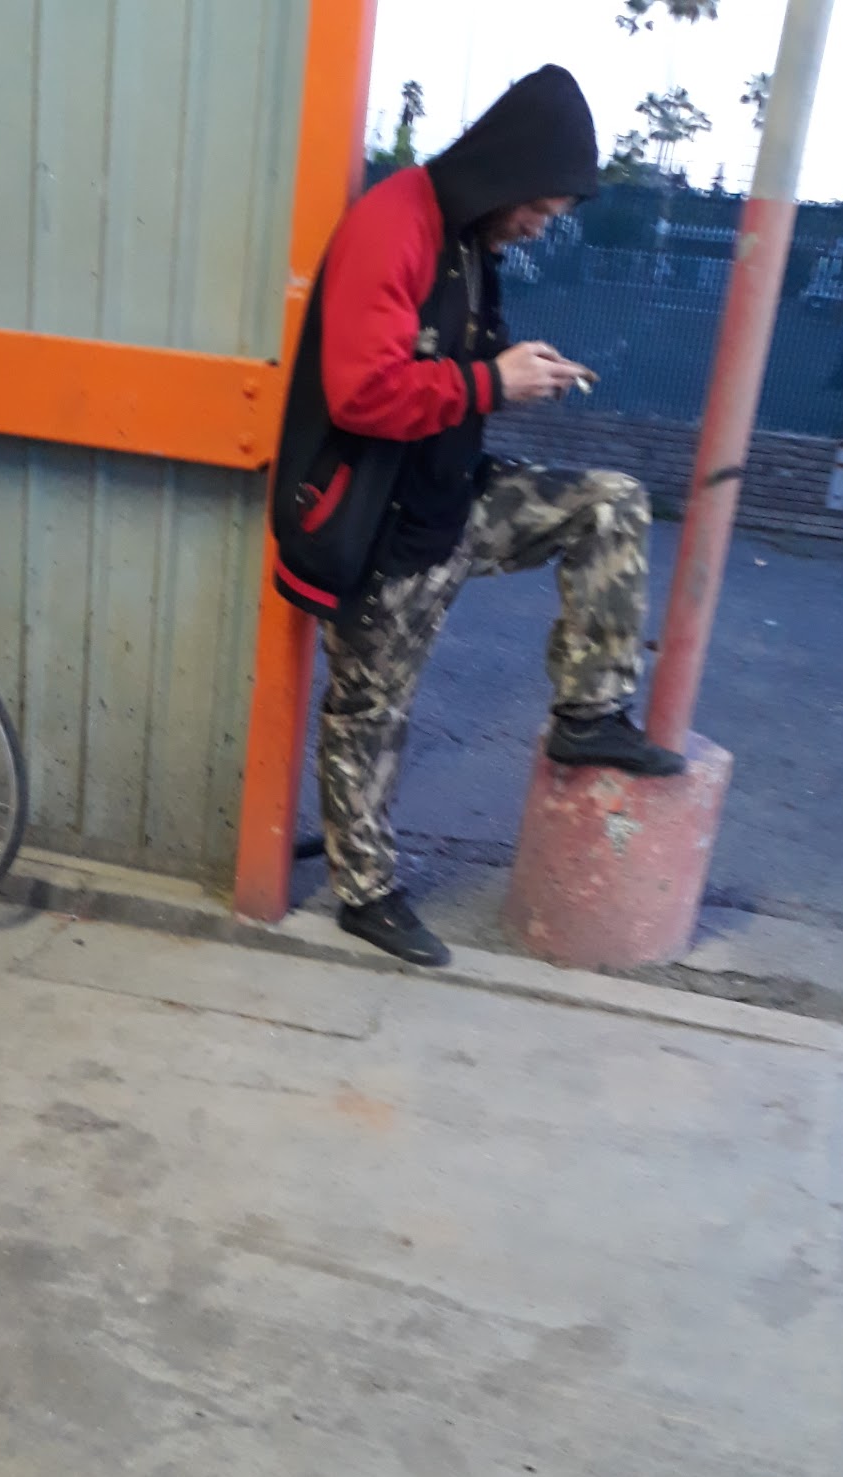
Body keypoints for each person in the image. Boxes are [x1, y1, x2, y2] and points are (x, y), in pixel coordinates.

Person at [271, 66, 686, 969]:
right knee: (370, 713)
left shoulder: (465, 235)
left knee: (613, 502)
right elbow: (363, 392)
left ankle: (589, 710)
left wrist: (512, 360)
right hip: (378, 523)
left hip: (452, 495)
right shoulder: (394, 225)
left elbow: (450, 350)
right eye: (537, 208)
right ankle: (364, 892)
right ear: (506, 172)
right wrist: (493, 382)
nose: (538, 227)